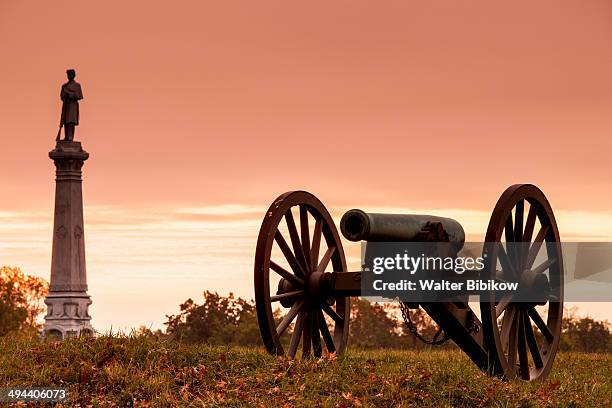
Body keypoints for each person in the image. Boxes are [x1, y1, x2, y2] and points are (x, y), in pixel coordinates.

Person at [57, 69, 83, 141]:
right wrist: (64, 95)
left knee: (71, 122)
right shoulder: (64, 86)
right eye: (68, 74)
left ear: (74, 75)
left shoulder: (77, 85)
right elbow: (61, 96)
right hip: (66, 105)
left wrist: (70, 94)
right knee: (65, 122)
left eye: (70, 74)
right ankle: (66, 137)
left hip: (73, 105)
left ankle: (70, 137)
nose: (69, 76)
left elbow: (79, 96)